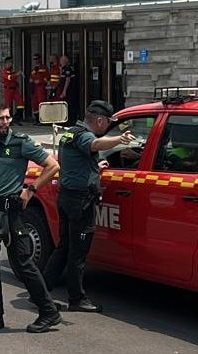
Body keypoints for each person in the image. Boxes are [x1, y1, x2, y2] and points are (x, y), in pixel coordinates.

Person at [0, 103, 62, 333]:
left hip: (11, 212)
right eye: (0, 118)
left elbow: (52, 166)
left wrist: (32, 189)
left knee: (23, 263)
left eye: (8, 117)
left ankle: (48, 311)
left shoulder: (21, 142)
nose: (5, 122)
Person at [47, 101, 134, 312]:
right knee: (78, 252)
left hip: (67, 197)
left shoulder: (70, 133)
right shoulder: (86, 136)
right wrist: (119, 139)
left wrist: (94, 166)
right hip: (80, 201)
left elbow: (77, 160)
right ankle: (76, 299)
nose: (107, 128)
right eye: (108, 124)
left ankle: (40, 290)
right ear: (100, 120)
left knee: (64, 247)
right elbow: (95, 145)